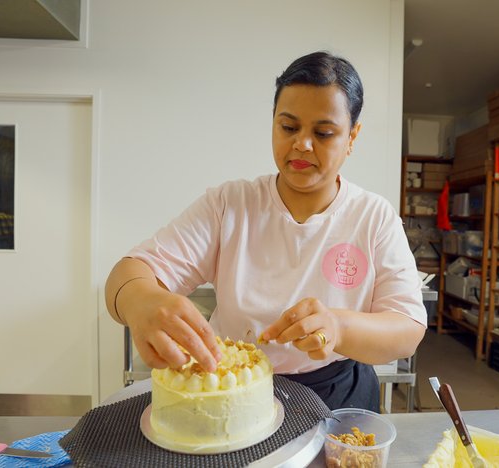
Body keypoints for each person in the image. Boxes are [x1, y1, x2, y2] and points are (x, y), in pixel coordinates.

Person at [105, 51, 426, 412]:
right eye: (289, 127)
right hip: (232, 388)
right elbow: (127, 274)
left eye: (323, 132)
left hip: (336, 397)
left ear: (352, 136)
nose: (302, 144)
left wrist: (338, 327)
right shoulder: (230, 203)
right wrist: (140, 301)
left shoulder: (373, 216)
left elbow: (407, 329)